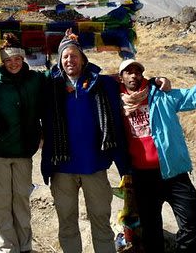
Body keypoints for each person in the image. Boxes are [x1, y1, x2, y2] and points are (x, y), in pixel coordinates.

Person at [118, 58, 196, 253]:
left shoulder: (161, 96)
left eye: (137, 71)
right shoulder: (116, 103)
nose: (133, 75)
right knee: (150, 229)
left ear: (142, 75)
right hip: (142, 176)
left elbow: (192, 96)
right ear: (121, 77)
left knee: (190, 222)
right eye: (128, 72)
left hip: (173, 172)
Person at [40, 30, 131, 253]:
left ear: (83, 58)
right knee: (67, 223)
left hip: (95, 166)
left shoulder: (102, 85)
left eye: (74, 55)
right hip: (62, 168)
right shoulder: (49, 87)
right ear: (60, 61)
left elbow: (132, 83)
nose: (69, 60)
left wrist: (159, 81)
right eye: (65, 57)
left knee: (101, 221)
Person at [0, 33, 45, 253]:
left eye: (17, 59)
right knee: (1, 203)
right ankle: (6, 248)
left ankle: (25, 246)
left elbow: (60, 76)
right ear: (2, 61)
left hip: (23, 152)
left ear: (23, 59)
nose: (13, 63)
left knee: (21, 201)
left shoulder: (35, 80)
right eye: (8, 60)